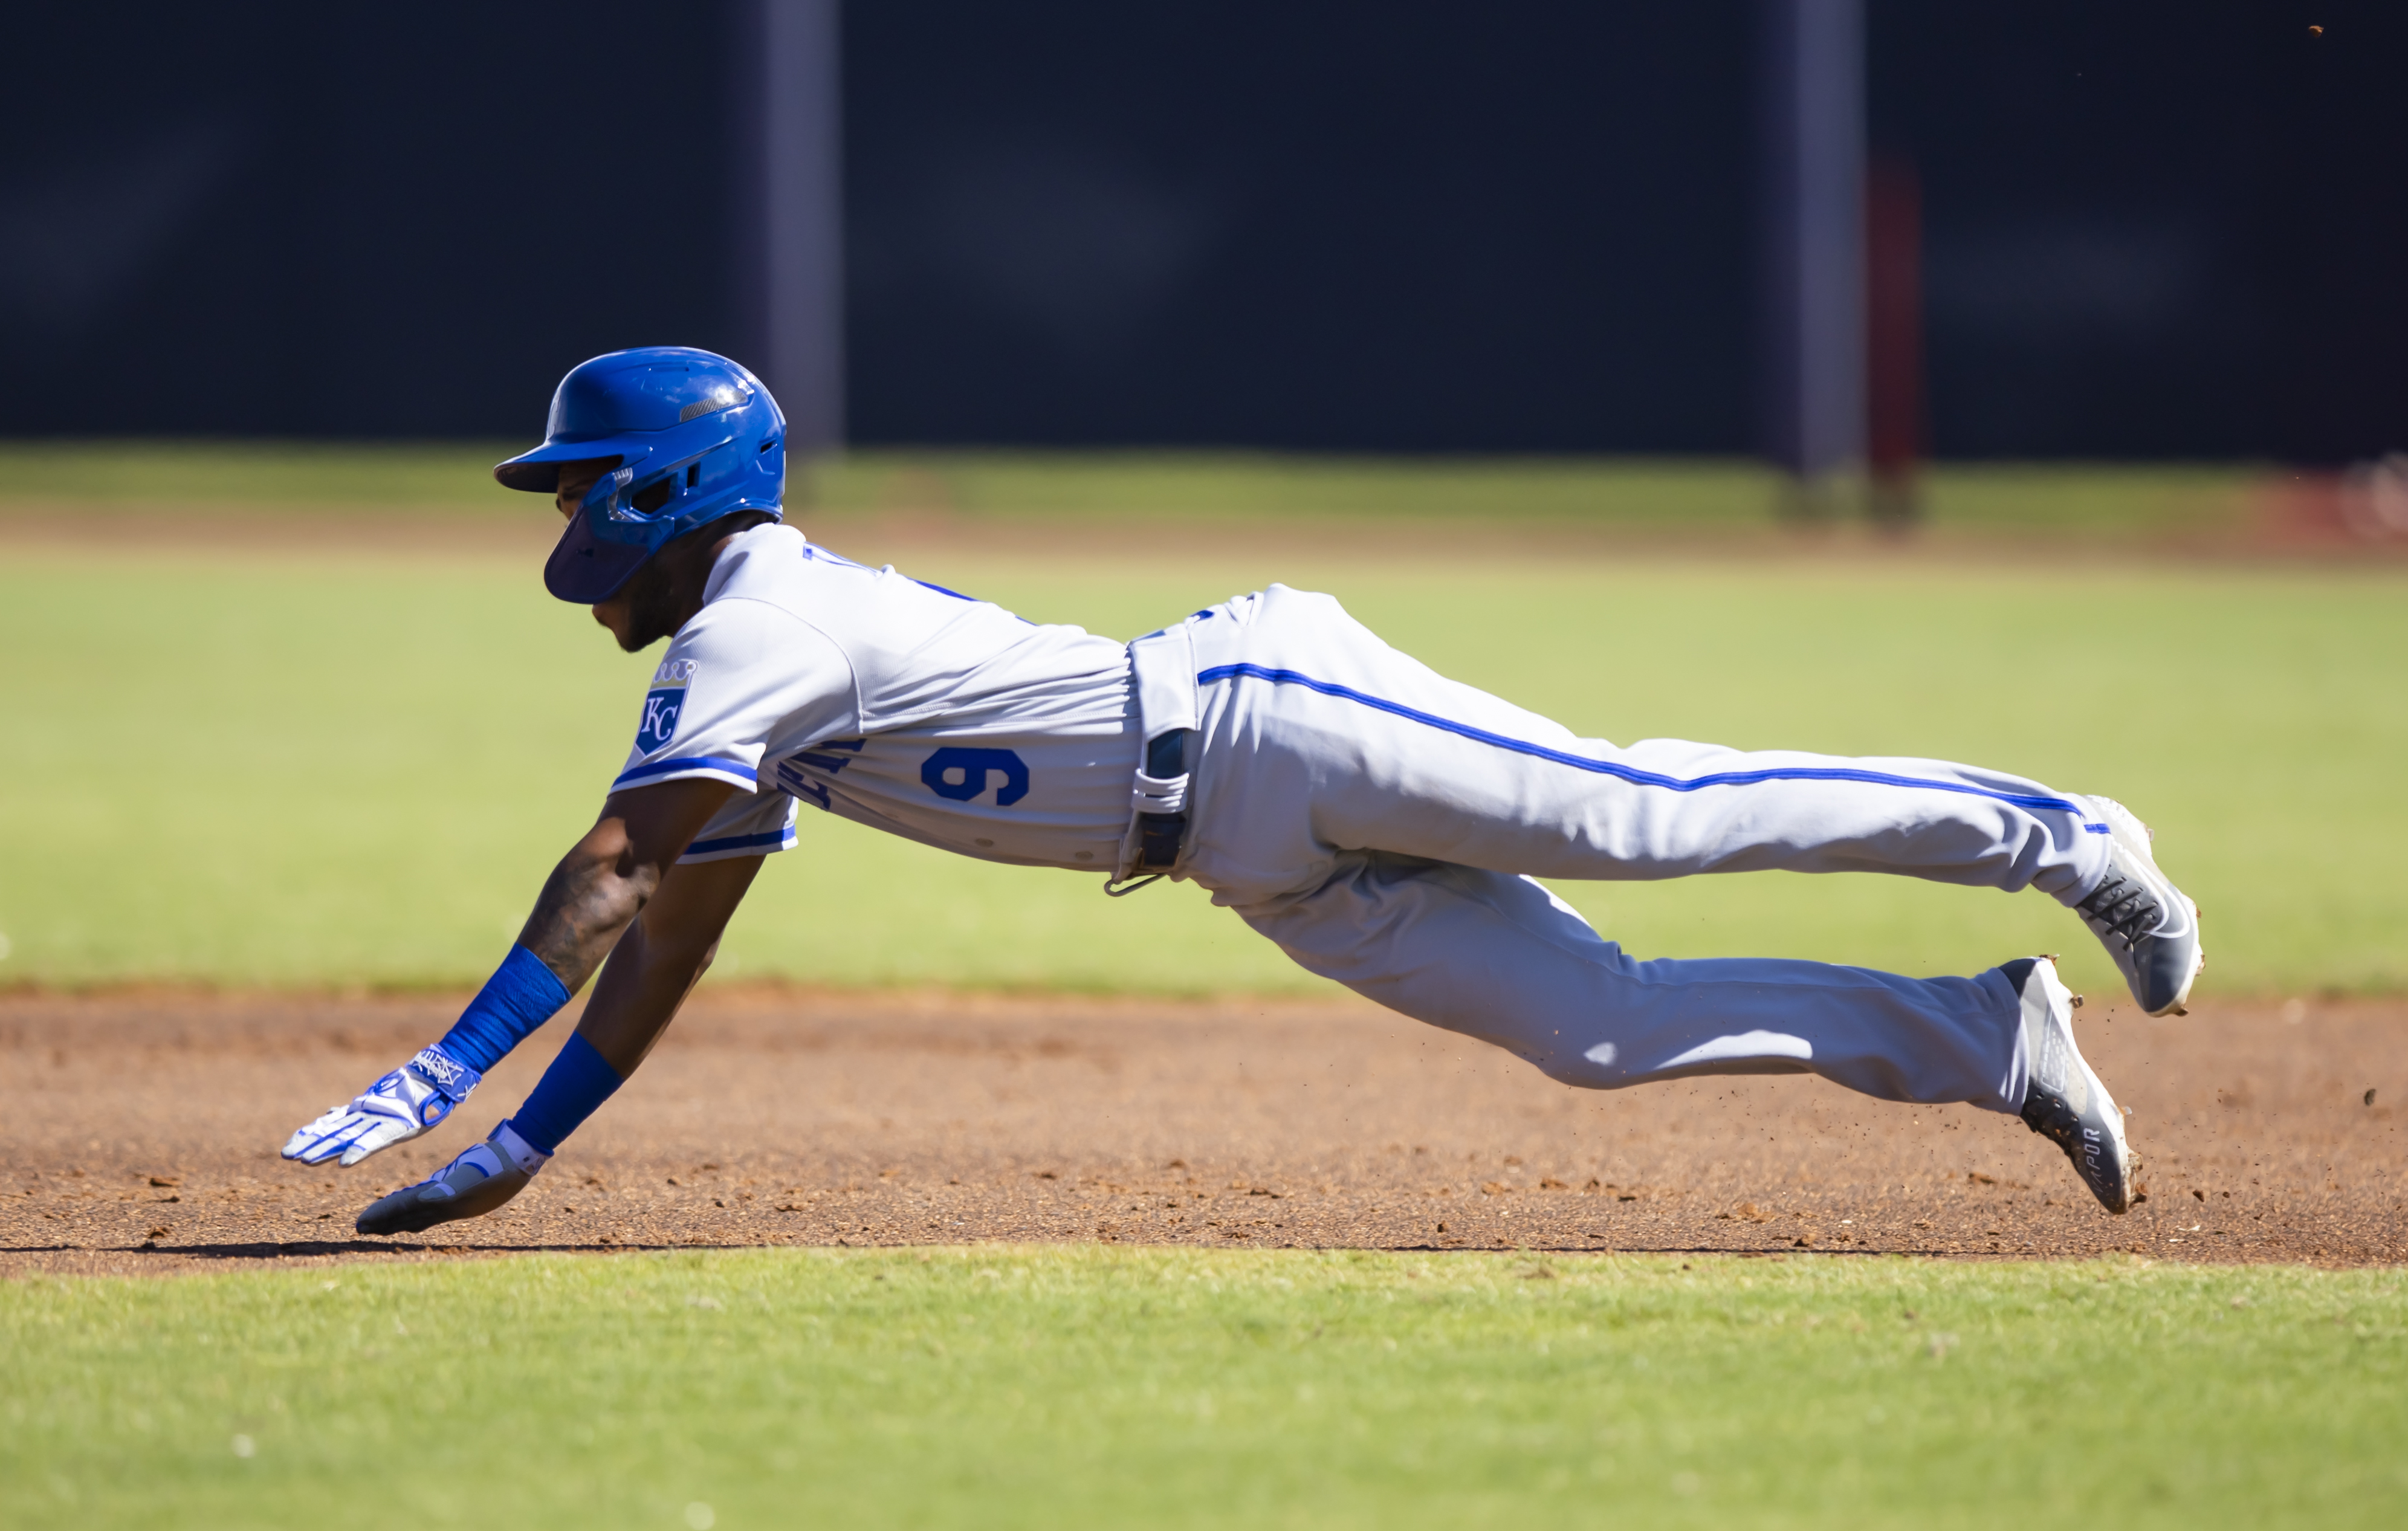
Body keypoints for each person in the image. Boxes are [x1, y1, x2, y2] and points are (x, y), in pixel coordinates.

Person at [283, 347, 2202, 1232]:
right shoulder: (751, 668)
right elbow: (675, 931)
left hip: (1271, 716)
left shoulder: (750, 630)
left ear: (667, 492)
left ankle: (2066, 837)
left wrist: (449, 1068)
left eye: (580, 487)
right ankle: (1984, 1040)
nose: (567, 521)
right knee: (1598, 1033)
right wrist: (528, 1144)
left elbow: (614, 870)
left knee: (1643, 811)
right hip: (1240, 857)